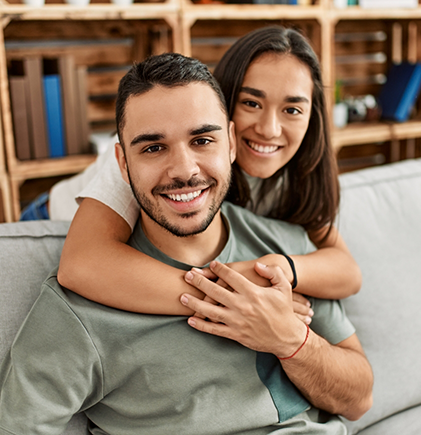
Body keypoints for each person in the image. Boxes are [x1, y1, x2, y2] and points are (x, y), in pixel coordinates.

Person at [0, 53, 373, 434]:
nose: (184, 170)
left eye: (202, 139)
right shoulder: (80, 304)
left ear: (230, 142)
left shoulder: (284, 240)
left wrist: (291, 340)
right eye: (153, 148)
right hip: (50, 206)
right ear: (122, 163)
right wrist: (225, 295)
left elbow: (358, 398)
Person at [53, 26, 362, 316]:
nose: (269, 129)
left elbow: (347, 271)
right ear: (221, 103)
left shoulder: (290, 176)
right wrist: (238, 298)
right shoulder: (145, 159)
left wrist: (278, 268)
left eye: (292, 110)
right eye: (251, 103)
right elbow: (81, 263)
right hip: (53, 217)